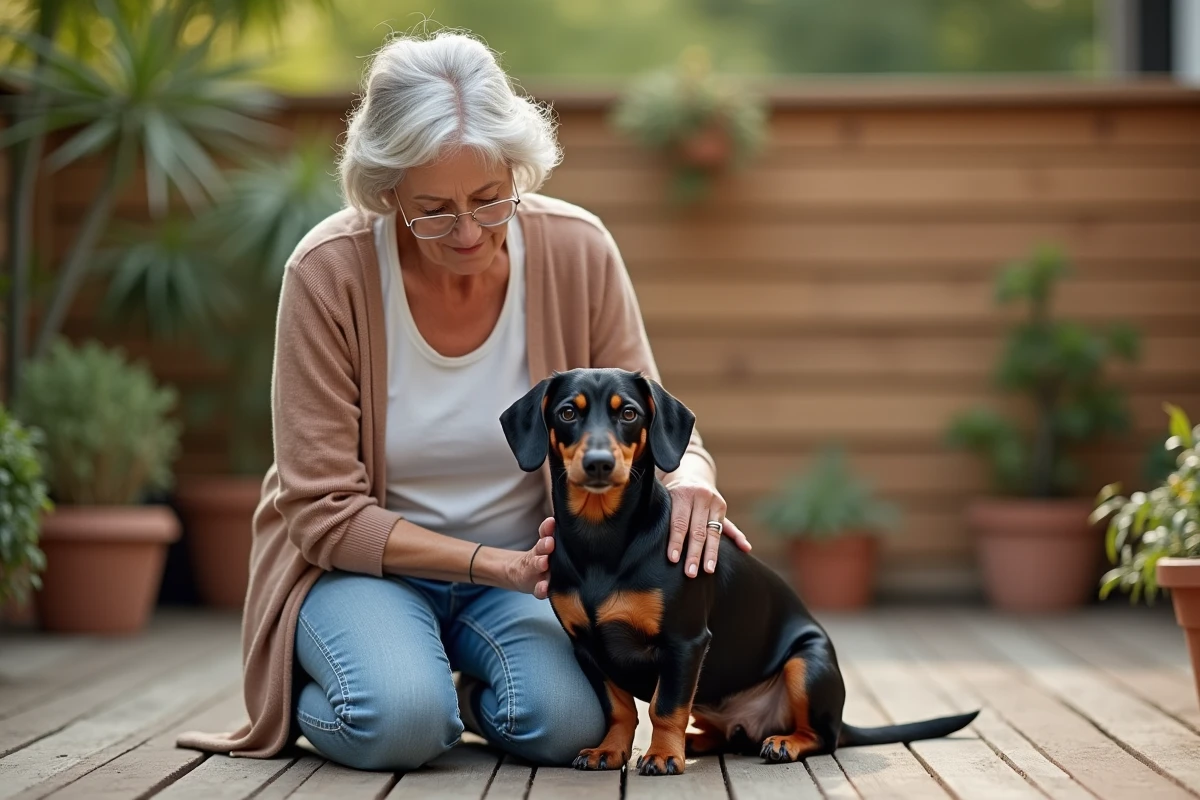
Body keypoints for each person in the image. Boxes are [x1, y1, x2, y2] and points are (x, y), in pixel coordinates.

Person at [177, 29, 750, 772]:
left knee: (568, 726)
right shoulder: (328, 272)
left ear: (519, 169)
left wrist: (695, 480)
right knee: (402, 724)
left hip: (525, 574)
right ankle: (349, 689)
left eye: (490, 199)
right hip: (366, 573)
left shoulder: (578, 249)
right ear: (386, 191)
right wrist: (491, 566)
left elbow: (651, 414)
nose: (470, 231)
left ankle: (454, 694)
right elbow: (320, 511)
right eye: (434, 211)